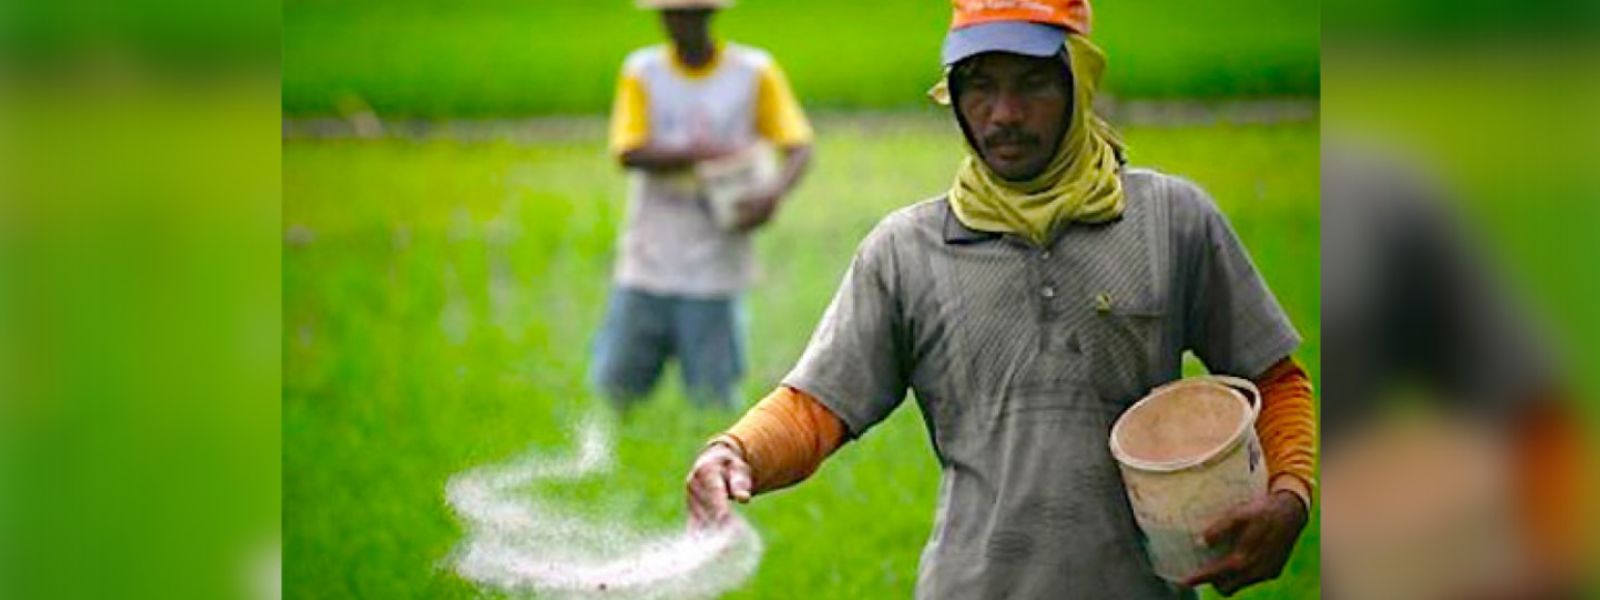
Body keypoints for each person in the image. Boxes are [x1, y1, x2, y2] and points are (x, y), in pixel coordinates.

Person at [683, 0, 1317, 597]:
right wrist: (732, 453)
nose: (1003, 113)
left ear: (1079, 80)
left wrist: (1289, 497)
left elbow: (1275, 380)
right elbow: (816, 407)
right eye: (979, 84)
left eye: (1032, 83)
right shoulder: (906, 250)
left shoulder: (1171, 222)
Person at [592, 0, 813, 410]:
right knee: (616, 389)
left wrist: (772, 193)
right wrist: (701, 153)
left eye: (688, 14)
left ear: (708, 15)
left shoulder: (752, 72)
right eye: (671, 14)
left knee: (713, 400)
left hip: (717, 261)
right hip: (649, 255)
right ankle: (611, 456)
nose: (678, 23)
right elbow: (628, 151)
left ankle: (708, 465)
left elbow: (799, 146)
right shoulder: (643, 71)